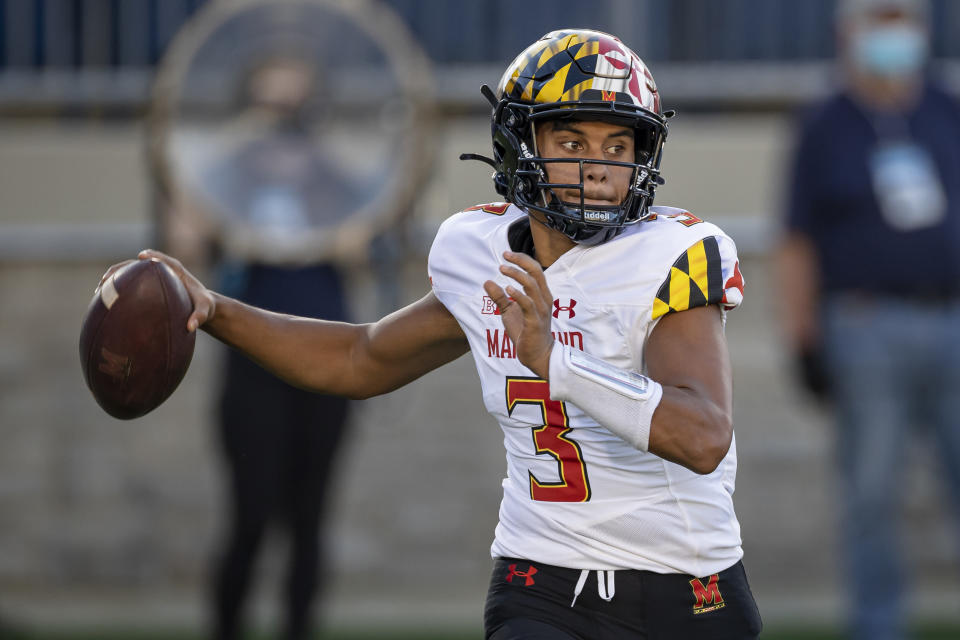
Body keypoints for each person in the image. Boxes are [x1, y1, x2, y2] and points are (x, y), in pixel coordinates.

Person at [117, 29, 760, 639]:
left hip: (685, 584)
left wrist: (552, 361)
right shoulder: (479, 251)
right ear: (519, 146)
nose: (597, 167)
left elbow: (702, 436)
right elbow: (360, 358)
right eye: (571, 143)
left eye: (617, 148)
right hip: (540, 574)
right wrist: (218, 311)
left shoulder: (671, 255)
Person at [777, 1, 960, 639]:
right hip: (865, 325)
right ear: (849, 33)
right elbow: (795, 240)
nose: (892, 36)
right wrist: (803, 339)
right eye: (878, 22)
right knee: (873, 492)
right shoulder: (825, 123)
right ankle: (878, 628)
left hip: (950, 319)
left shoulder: (945, 109)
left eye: (900, 20)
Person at [183, 56, 354, 640]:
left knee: (309, 520)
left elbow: (368, 233)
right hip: (252, 367)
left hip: (329, 361)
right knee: (250, 515)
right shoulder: (226, 176)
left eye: (295, 109)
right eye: (272, 108)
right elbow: (185, 243)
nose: (285, 120)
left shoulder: (335, 176)